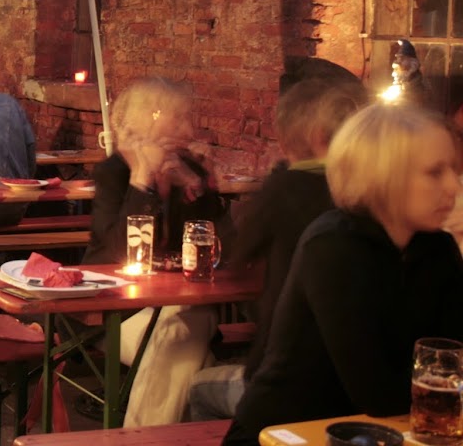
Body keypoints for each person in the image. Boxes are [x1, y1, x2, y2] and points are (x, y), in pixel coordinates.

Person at [223, 103, 463, 445]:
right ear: (383, 175)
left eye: (454, 169)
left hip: (384, 434)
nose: (453, 186)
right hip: (285, 433)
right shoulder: (334, 246)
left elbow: (454, 356)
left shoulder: (436, 246)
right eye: (435, 172)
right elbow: (377, 395)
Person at [187, 76, 369, 421]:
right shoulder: (371, 191)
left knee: (198, 389)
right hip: (358, 386)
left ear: (287, 139)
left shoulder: (285, 188)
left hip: (291, 385)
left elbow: (236, 255)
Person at [82, 76, 233, 427]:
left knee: (183, 327)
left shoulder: (191, 173)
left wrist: (200, 189)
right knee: (188, 350)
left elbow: (229, 249)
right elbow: (118, 250)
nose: (189, 129)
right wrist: (141, 181)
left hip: (185, 305)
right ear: (149, 118)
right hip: (115, 313)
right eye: (179, 118)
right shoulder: (114, 173)